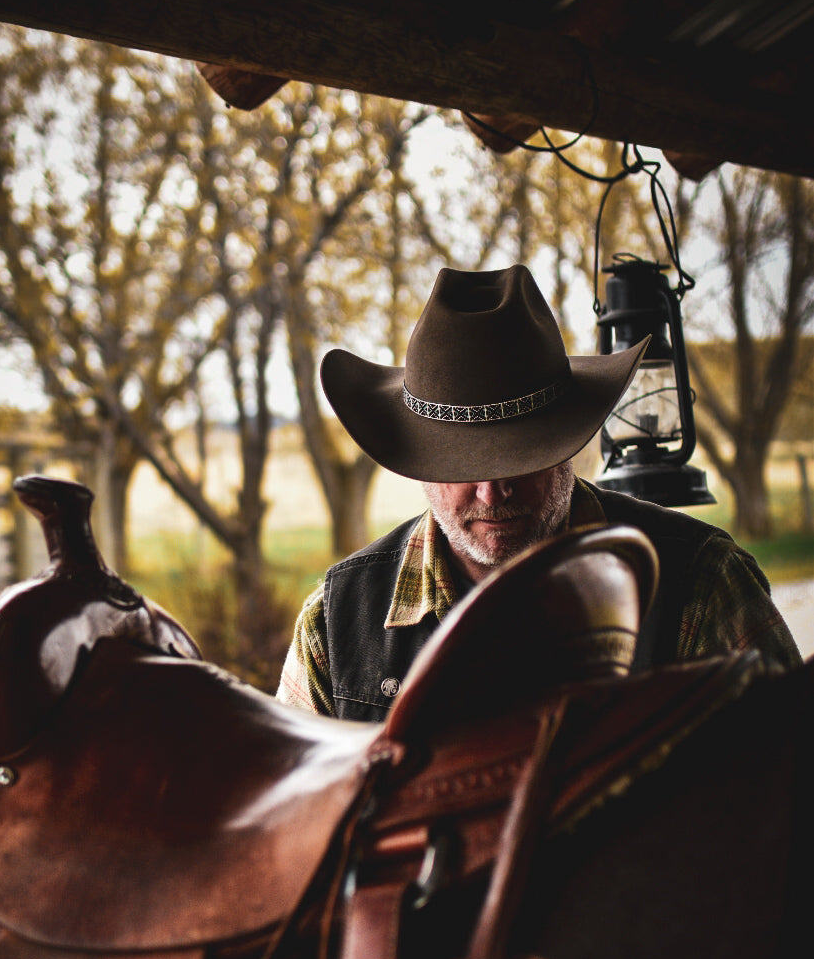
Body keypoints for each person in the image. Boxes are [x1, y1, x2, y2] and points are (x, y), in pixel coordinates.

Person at [276, 265, 801, 720]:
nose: (491, 491)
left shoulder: (702, 588)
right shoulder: (336, 624)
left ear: (567, 442)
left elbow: (793, 793)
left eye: (521, 457)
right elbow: (297, 813)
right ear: (419, 464)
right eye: (461, 464)